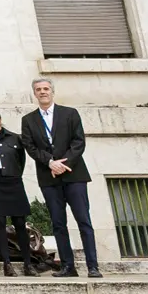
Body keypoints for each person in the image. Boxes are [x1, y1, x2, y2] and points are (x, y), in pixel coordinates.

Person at [20, 78, 99, 279]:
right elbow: (30, 147)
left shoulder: (70, 113)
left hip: (74, 175)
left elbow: (79, 141)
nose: (42, 92)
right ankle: (67, 267)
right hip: (49, 177)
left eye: (46, 88)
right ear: (34, 94)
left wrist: (64, 165)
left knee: (84, 221)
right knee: (58, 224)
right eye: (38, 89)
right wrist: (50, 163)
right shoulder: (28, 120)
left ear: (52, 91)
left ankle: (92, 266)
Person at [0, 107, 36, 277]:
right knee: (0, 224)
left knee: (20, 224)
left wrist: (12, 175)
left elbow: (21, 161)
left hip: (14, 183)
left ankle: (27, 264)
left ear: (0, 118)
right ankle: (7, 264)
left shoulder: (15, 138)